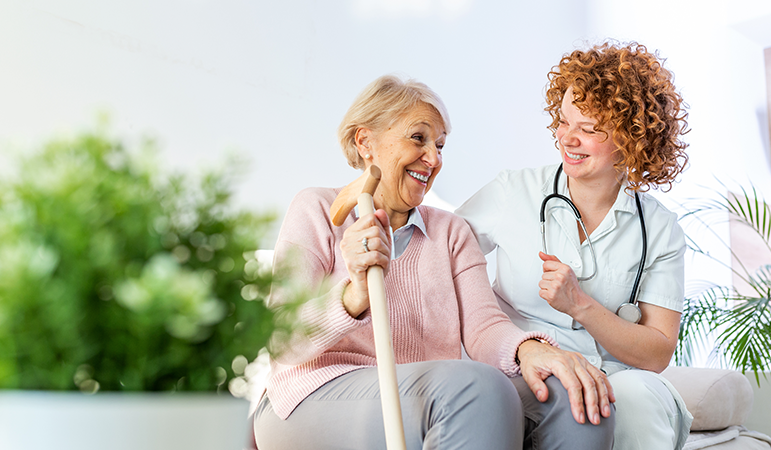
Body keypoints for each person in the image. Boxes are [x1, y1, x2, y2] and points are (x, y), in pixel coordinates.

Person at [254, 74, 615, 449]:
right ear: (366, 142)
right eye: (418, 138)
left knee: (578, 399)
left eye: (440, 145)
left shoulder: (450, 232)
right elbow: (281, 339)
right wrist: (355, 294)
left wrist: (531, 349)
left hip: (425, 390)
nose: (433, 159)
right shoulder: (316, 209)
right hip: (312, 395)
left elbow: (484, 327)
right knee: (477, 388)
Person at [456, 41, 694, 450]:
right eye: (564, 122)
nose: (568, 139)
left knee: (638, 399)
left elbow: (656, 352)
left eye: (589, 129)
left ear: (632, 137)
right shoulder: (514, 192)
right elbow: (441, 255)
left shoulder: (659, 228)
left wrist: (579, 305)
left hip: (617, 376)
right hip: (522, 367)